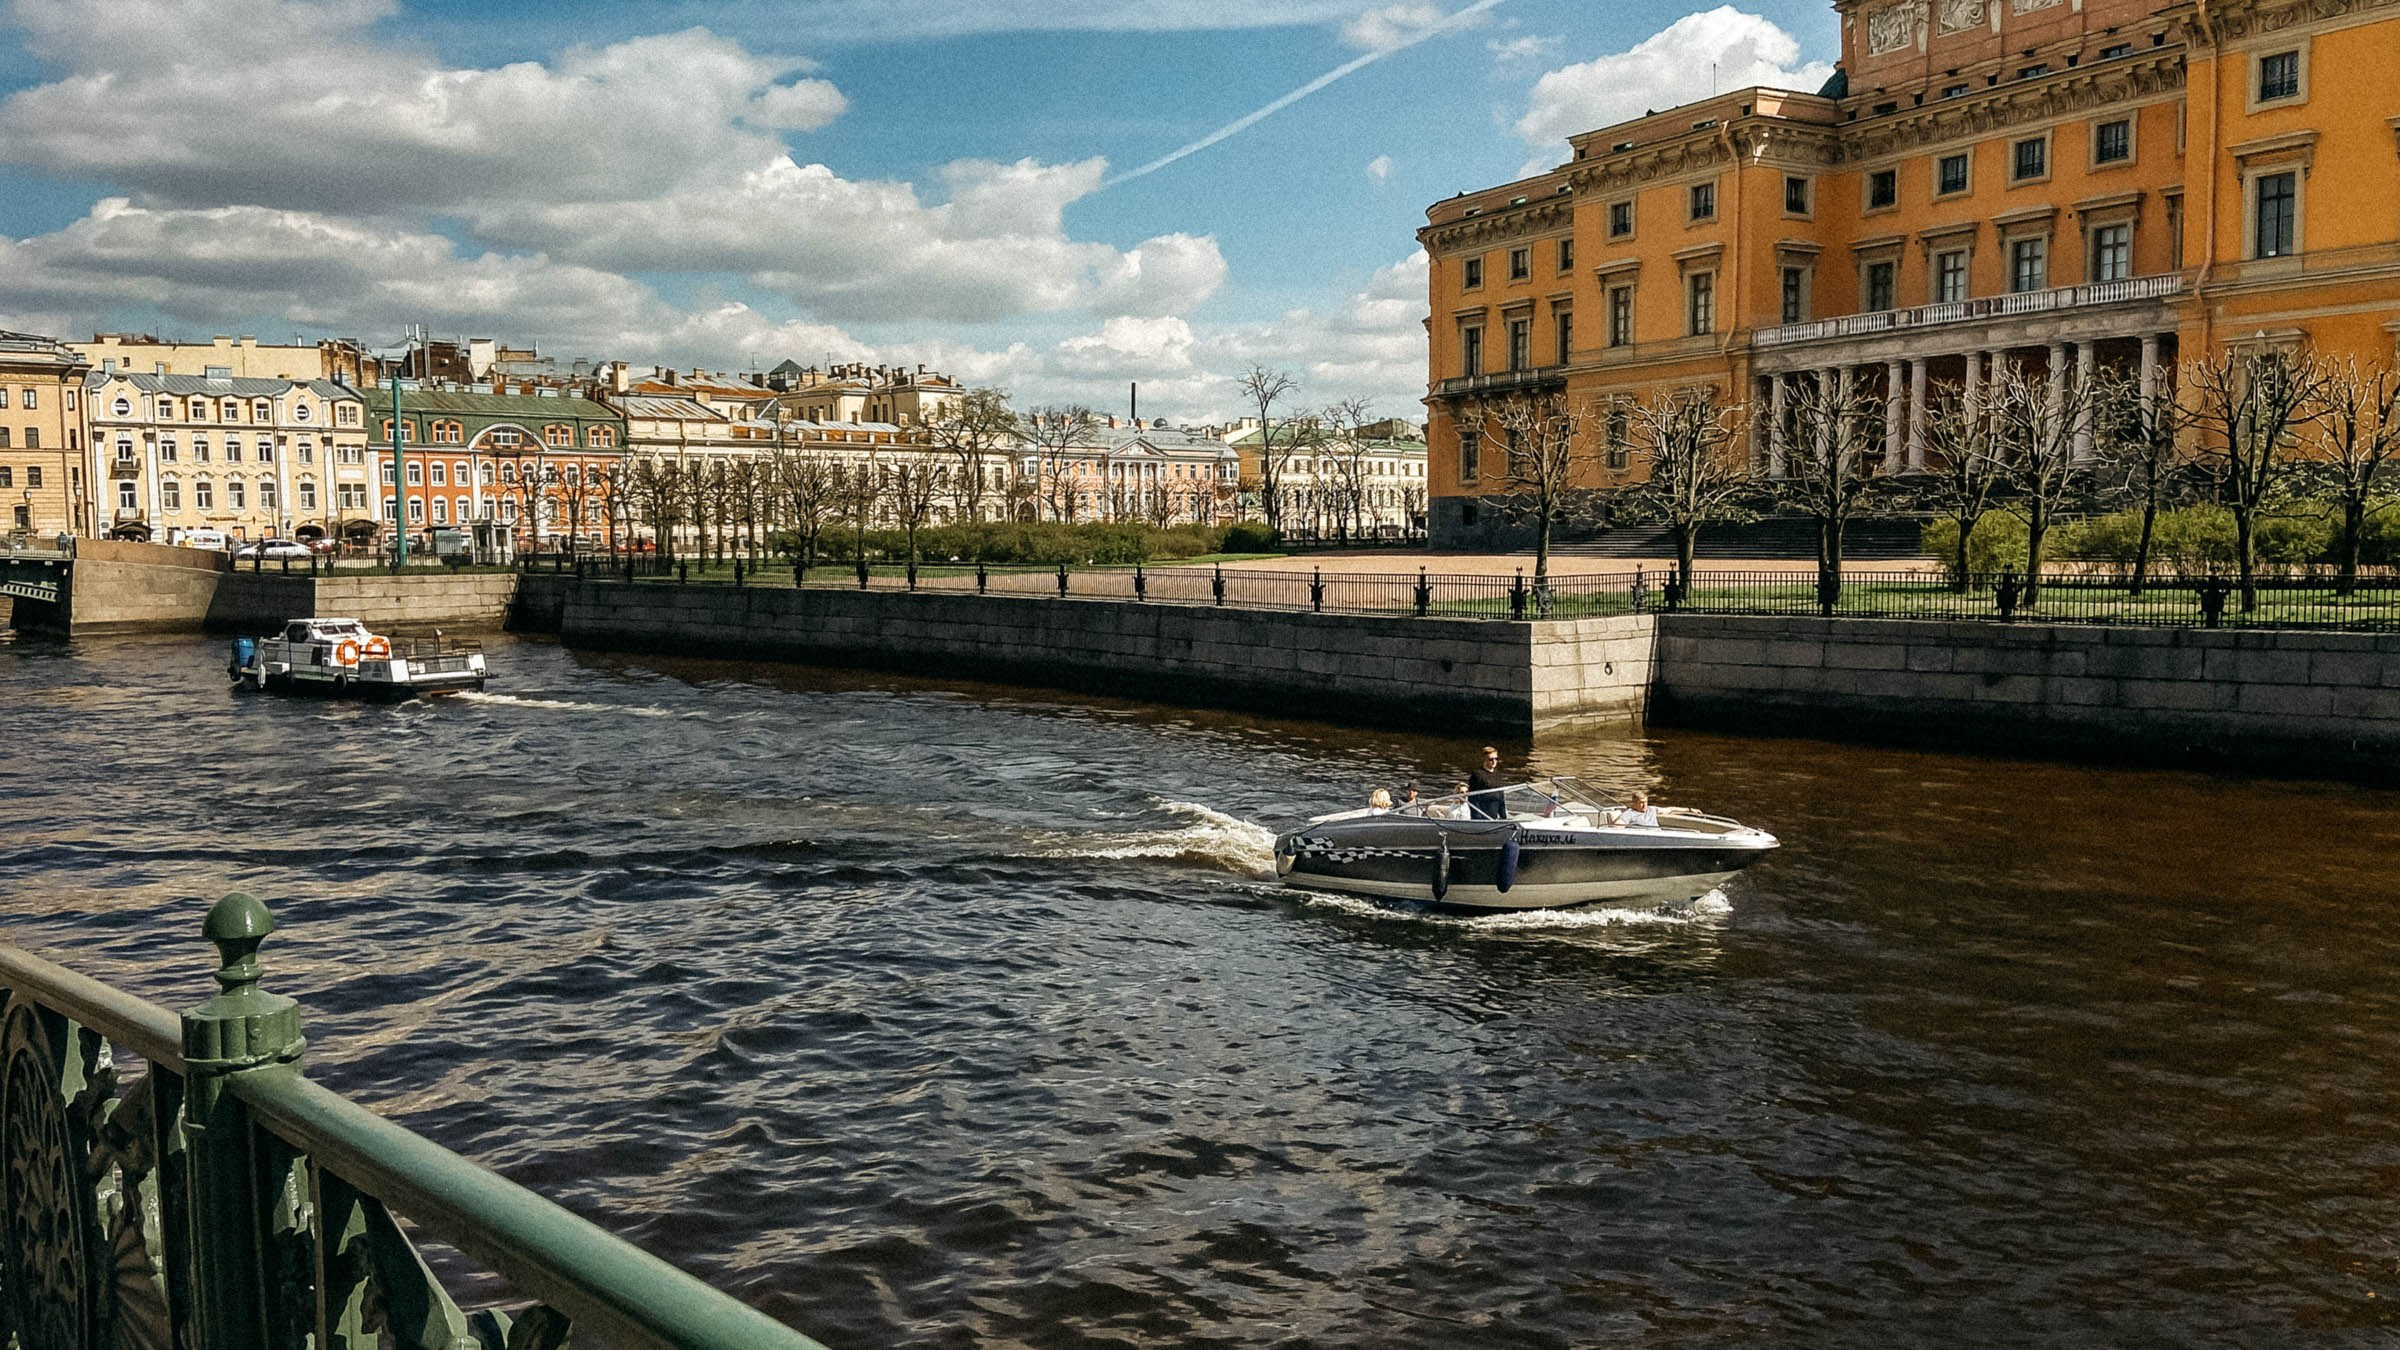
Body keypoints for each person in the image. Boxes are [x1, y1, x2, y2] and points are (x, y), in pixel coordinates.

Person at [1467, 746, 1507, 819]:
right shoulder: (1477, 775)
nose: (1494, 761)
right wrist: (1478, 818)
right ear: (1484, 760)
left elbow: (1501, 796)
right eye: (1491, 759)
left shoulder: (1497, 774)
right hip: (1483, 814)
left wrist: (1503, 816)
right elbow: (1472, 798)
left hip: (1494, 812)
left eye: (1496, 759)